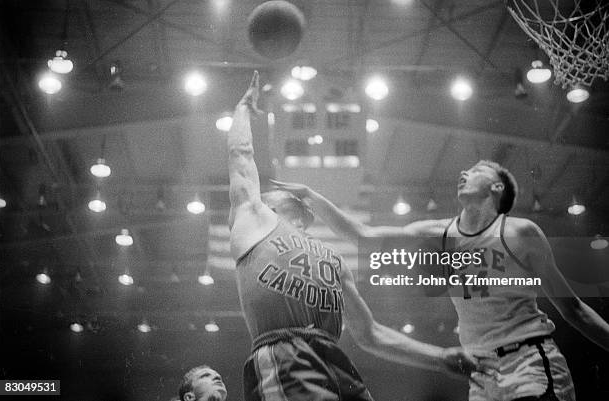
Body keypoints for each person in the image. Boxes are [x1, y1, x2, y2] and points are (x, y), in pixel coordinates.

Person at [227, 71, 496, 401]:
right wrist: (242, 110)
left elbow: (370, 334)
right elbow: (241, 156)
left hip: (334, 360)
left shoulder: (334, 260)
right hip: (284, 354)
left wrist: (438, 357)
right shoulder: (253, 219)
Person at [272, 160, 609, 401]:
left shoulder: (520, 233)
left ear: (497, 187)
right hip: (481, 373)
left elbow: (573, 309)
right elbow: (362, 234)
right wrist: (311, 195)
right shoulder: (437, 234)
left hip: (530, 361)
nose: (464, 172)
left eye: (476, 170)